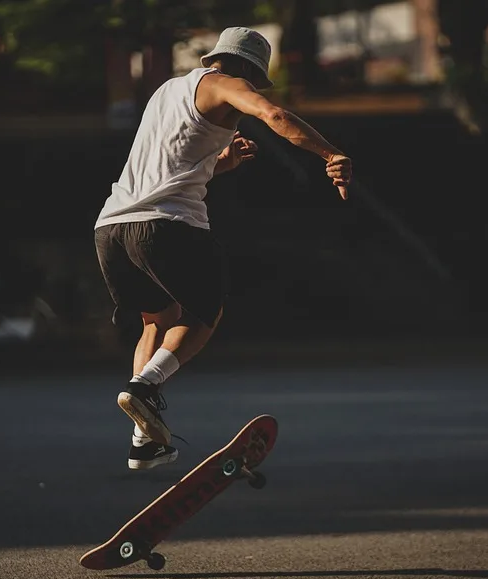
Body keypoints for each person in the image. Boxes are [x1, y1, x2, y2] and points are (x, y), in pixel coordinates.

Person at [93, 26, 353, 470]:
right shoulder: (227, 85)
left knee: (156, 323)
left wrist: (218, 164)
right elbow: (274, 116)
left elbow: (167, 166)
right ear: (246, 68)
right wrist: (330, 154)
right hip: (167, 227)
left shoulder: (166, 92)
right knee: (205, 312)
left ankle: (144, 440)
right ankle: (144, 389)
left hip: (112, 227)